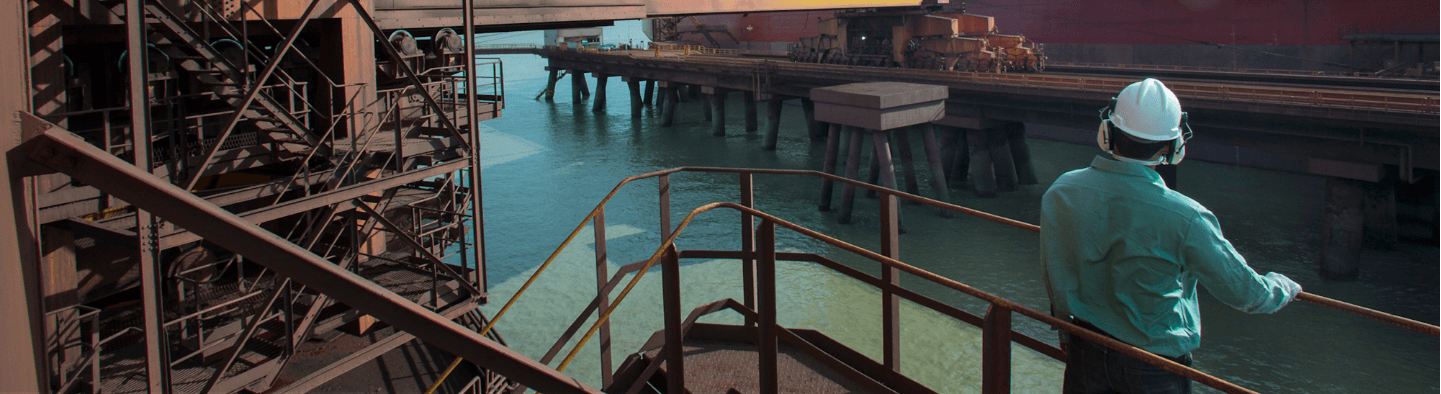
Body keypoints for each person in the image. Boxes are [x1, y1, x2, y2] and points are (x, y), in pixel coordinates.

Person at [1040, 78, 1303, 394]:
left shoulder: (1062, 190)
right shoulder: (1187, 217)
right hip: (1153, 368)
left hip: (1086, 350)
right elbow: (1248, 294)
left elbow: (1055, 269)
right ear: (1174, 147)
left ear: (1107, 133)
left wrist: (1066, 334)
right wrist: (1284, 286)